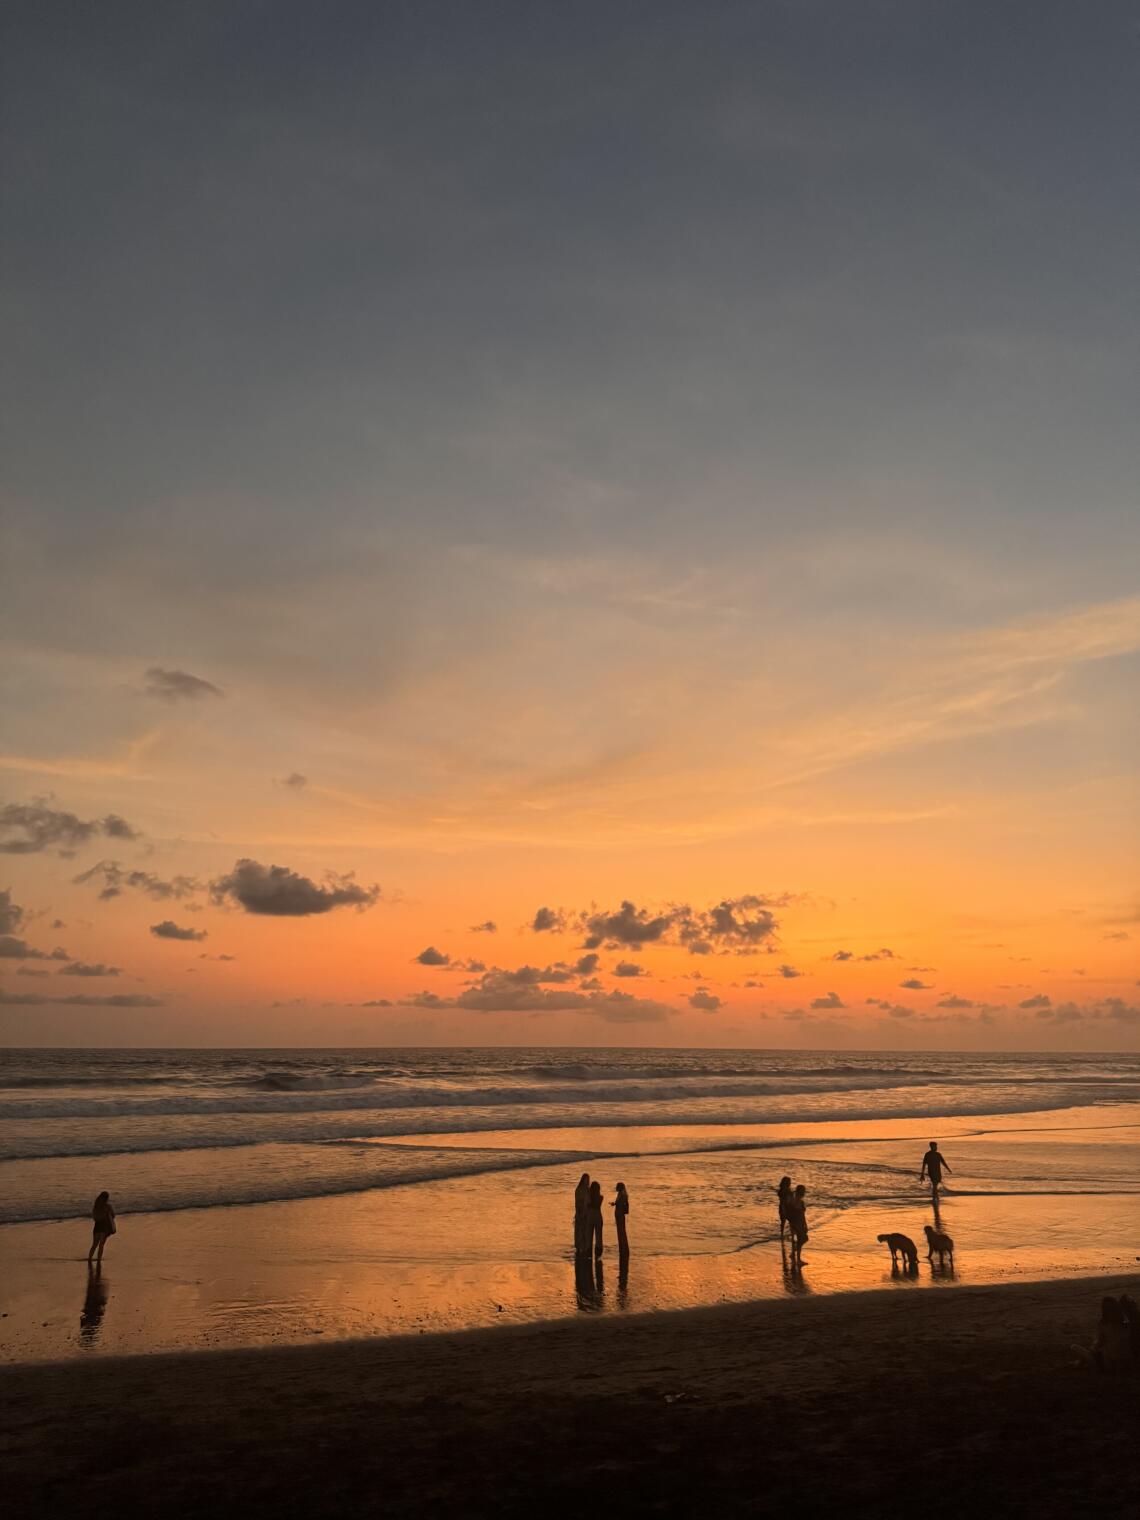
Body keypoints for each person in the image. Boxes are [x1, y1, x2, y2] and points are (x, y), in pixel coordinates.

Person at [1072, 1297, 1132, 1372]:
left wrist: (1092, 1349)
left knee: (1074, 1347)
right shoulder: (1126, 1322)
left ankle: (1079, 1363)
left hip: (1109, 1364)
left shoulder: (1104, 1323)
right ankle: (1081, 1363)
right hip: (1126, 1363)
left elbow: (1099, 1343)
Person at [87, 1191, 115, 1265]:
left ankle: (89, 1259)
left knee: (94, 1245)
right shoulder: (108, 1206)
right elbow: (113, 1215)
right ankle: (99, 1260)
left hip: (97, 1226)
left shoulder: (96, 1206)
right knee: (101, 1245)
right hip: (105, 1226)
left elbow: (95, 1218)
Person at [787, 1184, 808, 1265]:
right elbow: (789, 1213)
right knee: (801, 1240)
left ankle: (793, 1254)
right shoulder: (793, 1201)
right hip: (795, 1223)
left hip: (799, 1223)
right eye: (803, 1191)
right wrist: (792, 1224)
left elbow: (802, 1214)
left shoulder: (800, 1202)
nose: (804, 1193)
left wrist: (805, 1224)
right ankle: (798, 1260)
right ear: (800, 1192)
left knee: (804, 1239)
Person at [573, 1173, 591, 1255]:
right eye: (586, 1179)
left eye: (588, 1180)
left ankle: (584, 1247)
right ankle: (579, 1247)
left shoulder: (588, 1189)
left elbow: (589, 1201)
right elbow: (577, 1202)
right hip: (580, 1212)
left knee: (585, 1231)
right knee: (579, 1231)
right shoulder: (579, 1189)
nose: (587, 1181)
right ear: (582, 1180)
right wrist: (578, 1213)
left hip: (587, 1213)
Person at [611, 1181, 630, 1256]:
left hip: (619, 1214)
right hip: (620, 1214)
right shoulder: (622, 1194)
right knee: (621, 1231)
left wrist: (615, 1204)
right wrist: (614, 1204)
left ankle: (623, 1249)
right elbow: (620, 1204)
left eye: (617, 1186)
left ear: (619, 1187)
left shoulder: (622, 1195)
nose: (615, 1188)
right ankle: (623, 1248)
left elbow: (620, 1204)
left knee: (621, 1231)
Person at [587, 1179, 604, 1259]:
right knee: (599, 1236)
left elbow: (588, 1205)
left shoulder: (589, 1197)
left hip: (590, 1216)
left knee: (589, 1236)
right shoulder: (601, 1197)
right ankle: (598, 1253)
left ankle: (589, 1252)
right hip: (598, 1216)